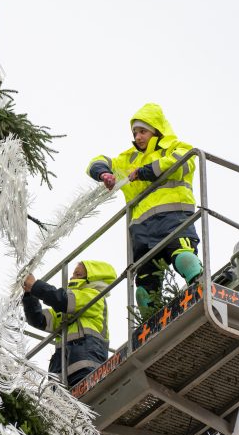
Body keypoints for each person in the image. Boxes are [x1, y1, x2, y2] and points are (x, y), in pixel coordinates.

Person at [86, 103, 203, 316]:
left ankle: (197, 287)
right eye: (135, 133)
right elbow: (98, 161)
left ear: (157, 130)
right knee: (148, 280)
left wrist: (144, 171)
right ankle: (152, 319)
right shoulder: (129, 158)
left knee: (179, 260)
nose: (138, 137)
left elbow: (182, 164)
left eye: (143, 131)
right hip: (143, 227)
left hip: (172, 216)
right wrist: (104, 174)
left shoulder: (175, 147)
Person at [22, 260, 116, 386]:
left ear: (92, 279)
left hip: (85, 367)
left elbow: (62, 299)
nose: (72, 277)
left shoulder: (94, 296)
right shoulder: (66, 312)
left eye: (78, 274)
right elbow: (37, 319)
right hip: (62, 376)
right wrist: (29, 295)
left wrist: (35, 286)